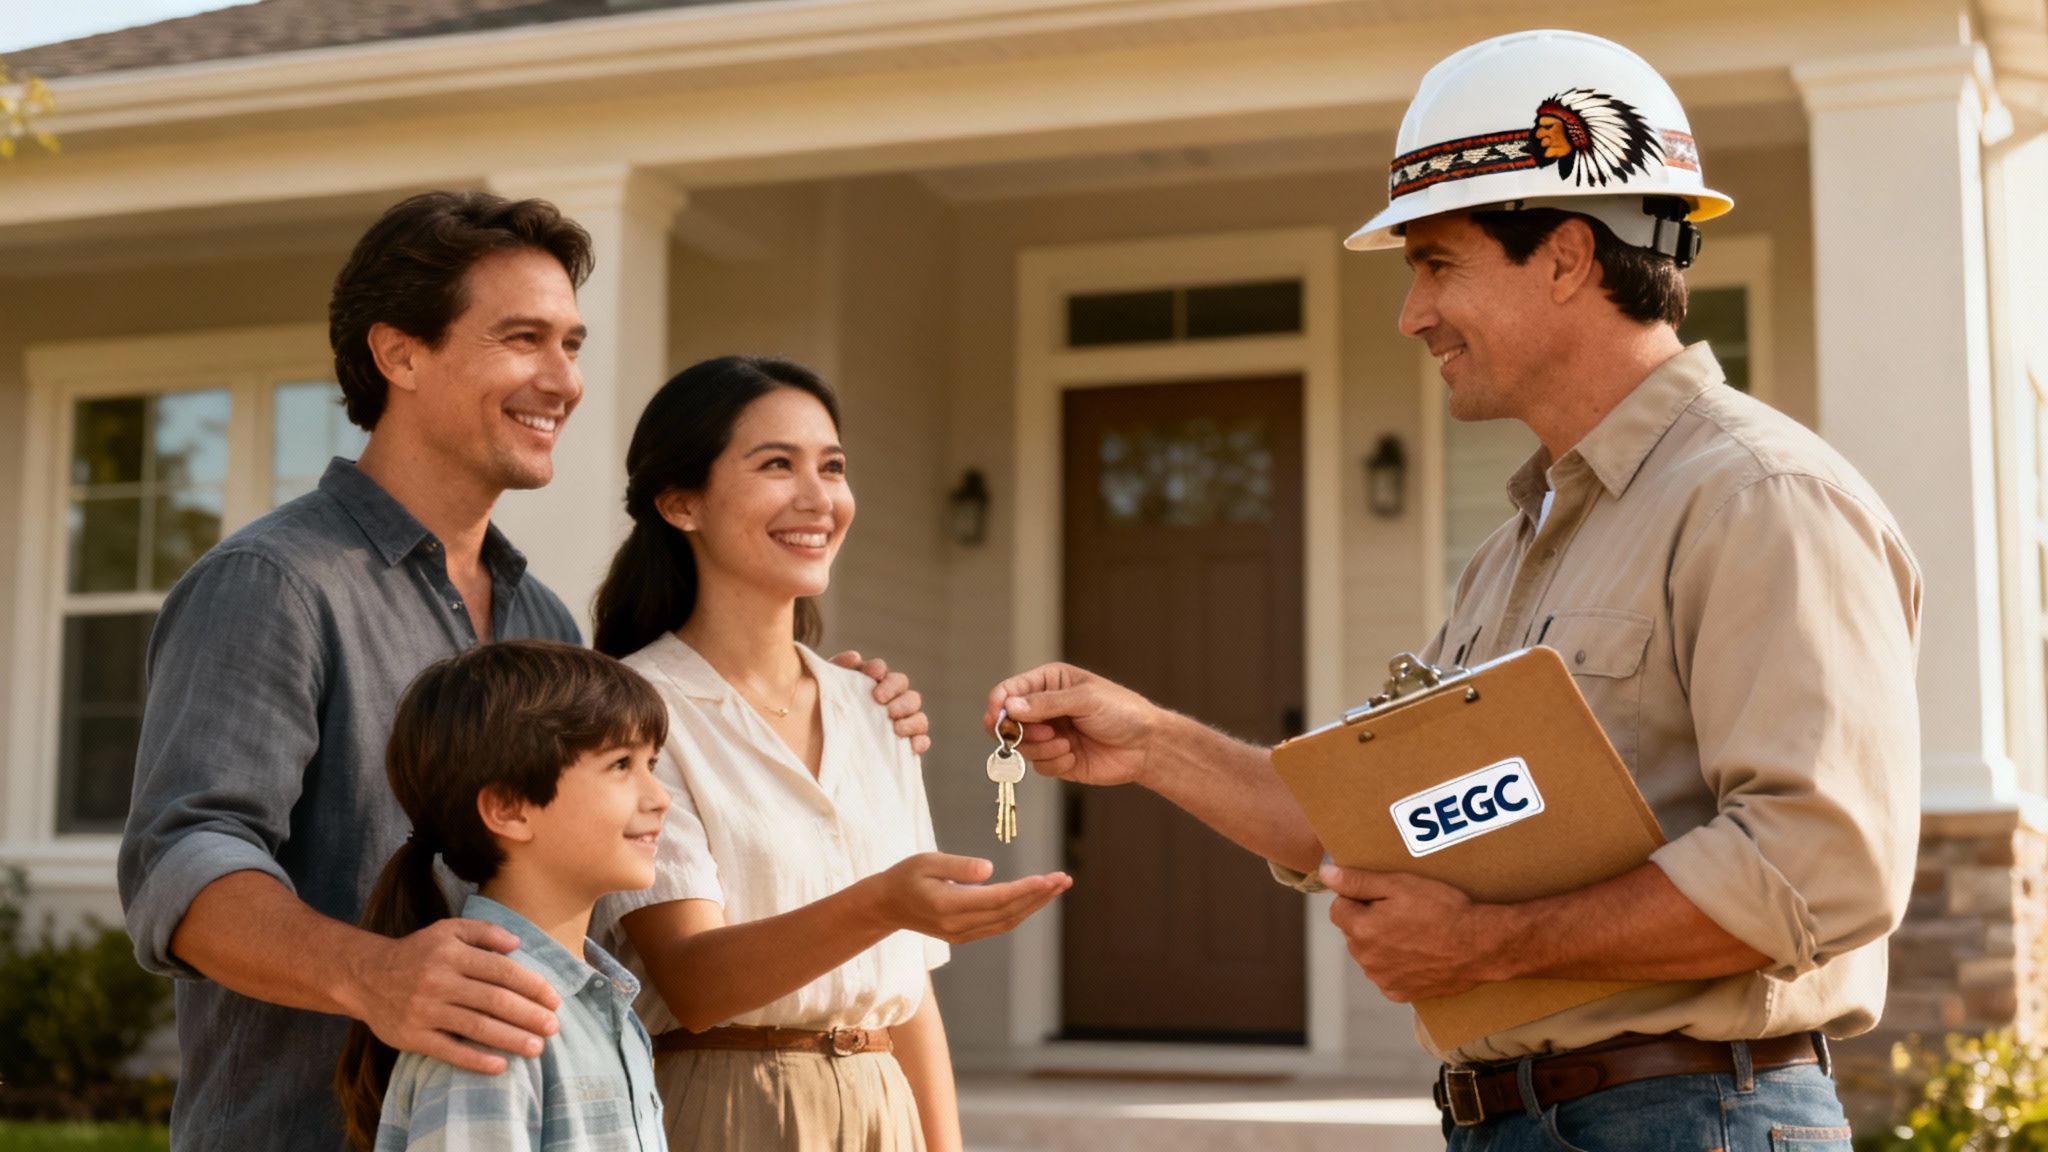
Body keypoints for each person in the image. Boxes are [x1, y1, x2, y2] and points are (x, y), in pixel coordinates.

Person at [985, 29, 1920, 1151]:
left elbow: (1817, 864)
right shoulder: (1513, 550)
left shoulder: (1759, 497)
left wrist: (1490, 945)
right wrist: (1147, 743)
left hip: (1691, 1119)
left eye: (1435, 264)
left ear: (1565, 256)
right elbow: (1383, 820)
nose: (1411, 313)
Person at [117, 191, 930, 1149]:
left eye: (572, 345)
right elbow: (184, 859)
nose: (564, 380)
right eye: (523, 339)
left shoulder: (542, 620)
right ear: (399, 354)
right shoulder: (274, 584)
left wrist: (814, 703)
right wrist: (372, 974)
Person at [586, 355, 1072, 1152]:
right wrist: (884, 903)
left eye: (833, 467)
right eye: (777, 464)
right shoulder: (634, 711)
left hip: (886, 1103)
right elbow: (696, 982)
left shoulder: (874, 711)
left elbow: (909, 995)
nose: (819, 498)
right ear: (680, 503)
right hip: (729, 1107)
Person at [335, 640, 671, 1151]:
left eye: (652, 764)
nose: (660, 797)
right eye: (621, 764)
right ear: (510, 809)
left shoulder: (603, 1005)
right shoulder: (489, 1019)